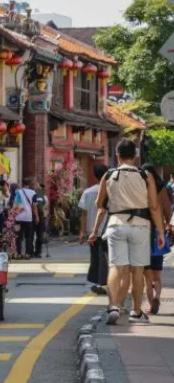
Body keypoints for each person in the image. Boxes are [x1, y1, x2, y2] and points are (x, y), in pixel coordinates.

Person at [89, 139, 166, 324]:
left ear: (117, 155)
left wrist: (95, 229)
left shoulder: (108, 174)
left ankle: (114, 306)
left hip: (116, 224)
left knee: (116, 266)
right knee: (137, 271)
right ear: (135, 155)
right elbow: (154, 207)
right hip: (140, 225)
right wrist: (161, 233)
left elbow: (99, 205)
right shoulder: (145, 175)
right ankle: (136, 311)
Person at [142, 164, 172, 315]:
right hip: (157, 233)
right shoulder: (161, 188)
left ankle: (149, 303)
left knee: (147, 276)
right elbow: (168, 210)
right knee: (157, 274)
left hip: (142, 233)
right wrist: (169, 225)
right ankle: (158, 297)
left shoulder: (141, 187)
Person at [79, 165, 110, 296]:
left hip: (92, 230)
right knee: (106, 258)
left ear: (94, 175)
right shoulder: (111, 191)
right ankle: (102, 283)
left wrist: (82, 231)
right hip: (108, 229)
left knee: (95, 258)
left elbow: (83, 214)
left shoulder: (88, 192)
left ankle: (97, 282)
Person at [12, 177, 39, 259]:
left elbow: (15, 204)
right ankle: (27, 254)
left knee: (18, 237)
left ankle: (19, 254)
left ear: (22, 184)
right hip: (28, 218)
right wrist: (37, 216)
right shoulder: (33, 193)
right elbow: (34, 206)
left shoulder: (18, 192)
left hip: (18, 218)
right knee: (28, 237)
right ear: (29, 184)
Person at [33, 179, 48, 258]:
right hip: (39, 215)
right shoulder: (39, 193)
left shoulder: (39, 193)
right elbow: (40, 206)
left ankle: (33, 252)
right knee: (39, 234)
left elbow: (44, 205)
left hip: (34, 215)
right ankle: (37, 252)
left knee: (34, 235)